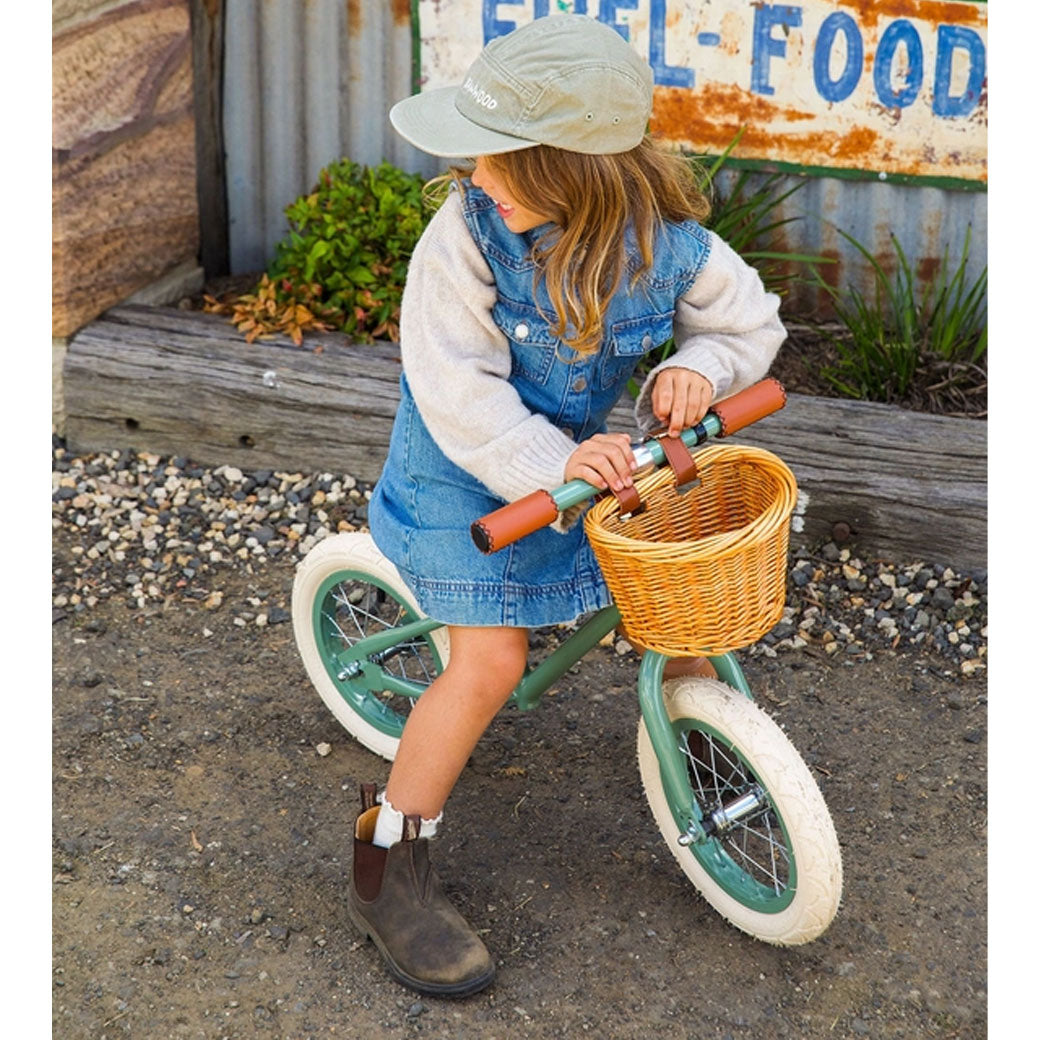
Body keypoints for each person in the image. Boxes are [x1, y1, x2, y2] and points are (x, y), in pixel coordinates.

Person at [349, 14, 785, 997]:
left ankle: (706, 746)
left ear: (574, 174)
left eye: (495, 161)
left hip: (592, 471)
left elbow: (745, 326)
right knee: (489, 660)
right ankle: (388, 857)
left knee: (671, 599)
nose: (472, 177)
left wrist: (694, 367)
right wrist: (556, 464)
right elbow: (458, 393)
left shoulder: (668, 248)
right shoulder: (462, 240)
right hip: (470, 471)